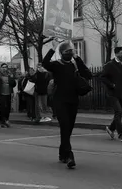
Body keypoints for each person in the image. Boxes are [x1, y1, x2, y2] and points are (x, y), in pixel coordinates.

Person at [41, 39, 92, 169]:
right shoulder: (56, 65)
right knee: (65, 127)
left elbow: (88, 74)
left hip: (73, 101)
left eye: (71, 51)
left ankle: (62, 153)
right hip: (60, 101)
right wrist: (52, 48)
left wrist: (77, 58)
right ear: (61, 53)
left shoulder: (74, 65)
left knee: (68, 130)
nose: (69, 53)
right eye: (67, 51)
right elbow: (45, 63)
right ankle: (69, 156)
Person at [101, 47, 122, 143]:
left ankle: (110, 128)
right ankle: (121, 134)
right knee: (118, 111)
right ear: (116, 54)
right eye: (121, 53)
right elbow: (102, 77)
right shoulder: (110, 65)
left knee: (119, 113)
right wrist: (111, 85)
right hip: (112, 93)